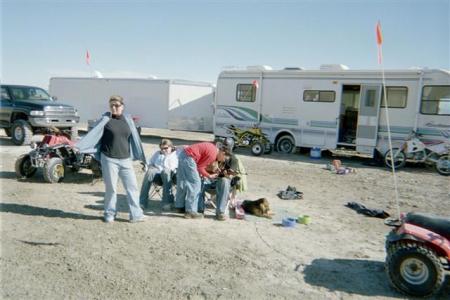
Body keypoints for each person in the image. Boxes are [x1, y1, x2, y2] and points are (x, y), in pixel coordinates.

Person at [76, 95, 147, 223]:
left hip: (126, 159)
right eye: (111, 105)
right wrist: (80, 146)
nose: (114, 107)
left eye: (117, 105)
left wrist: (139, 155)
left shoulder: (128, 120)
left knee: (132, 188)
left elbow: (134, 139)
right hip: (109, 159)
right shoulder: (105, 120)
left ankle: (136, 215)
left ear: (122, 107)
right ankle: (109, 214)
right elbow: (93, 135)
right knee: (111, 189)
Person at [175, 142, 228, 219]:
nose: (222, 161)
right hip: (189, 158)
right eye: (224, 159)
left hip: (183, 155)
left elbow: (199, 165)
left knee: (183, 182)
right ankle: (190, 211)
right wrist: (209, 175)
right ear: (222, 153)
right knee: (196, 184)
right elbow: (200, 167)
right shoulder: (213, 154)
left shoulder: (212, 148)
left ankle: (179, 206)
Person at [199, 138, 247, 221]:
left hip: (223, 185)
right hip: (210, 180)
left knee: (224, 180)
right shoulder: (216, 153)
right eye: (223, 147)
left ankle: (220, 212)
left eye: (226, 147)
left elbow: (231, 175)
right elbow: (205, 167)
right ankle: (199, 209)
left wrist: (225, 173)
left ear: (231, 148)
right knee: (198, 179)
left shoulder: (233, 159)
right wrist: (211, 169)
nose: (224, 149)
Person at [139, 138, 178, 210]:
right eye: (162, 149)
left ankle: (167, 202)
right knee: (150, 171)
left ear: (171, 147)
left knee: (166, 171)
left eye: (165, 148)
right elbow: (150, 163)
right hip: (157, 175)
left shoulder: (176, 154)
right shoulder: (158, 153)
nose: (163, 150)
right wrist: (147, 166)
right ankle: (142, 202)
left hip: (170, 176)